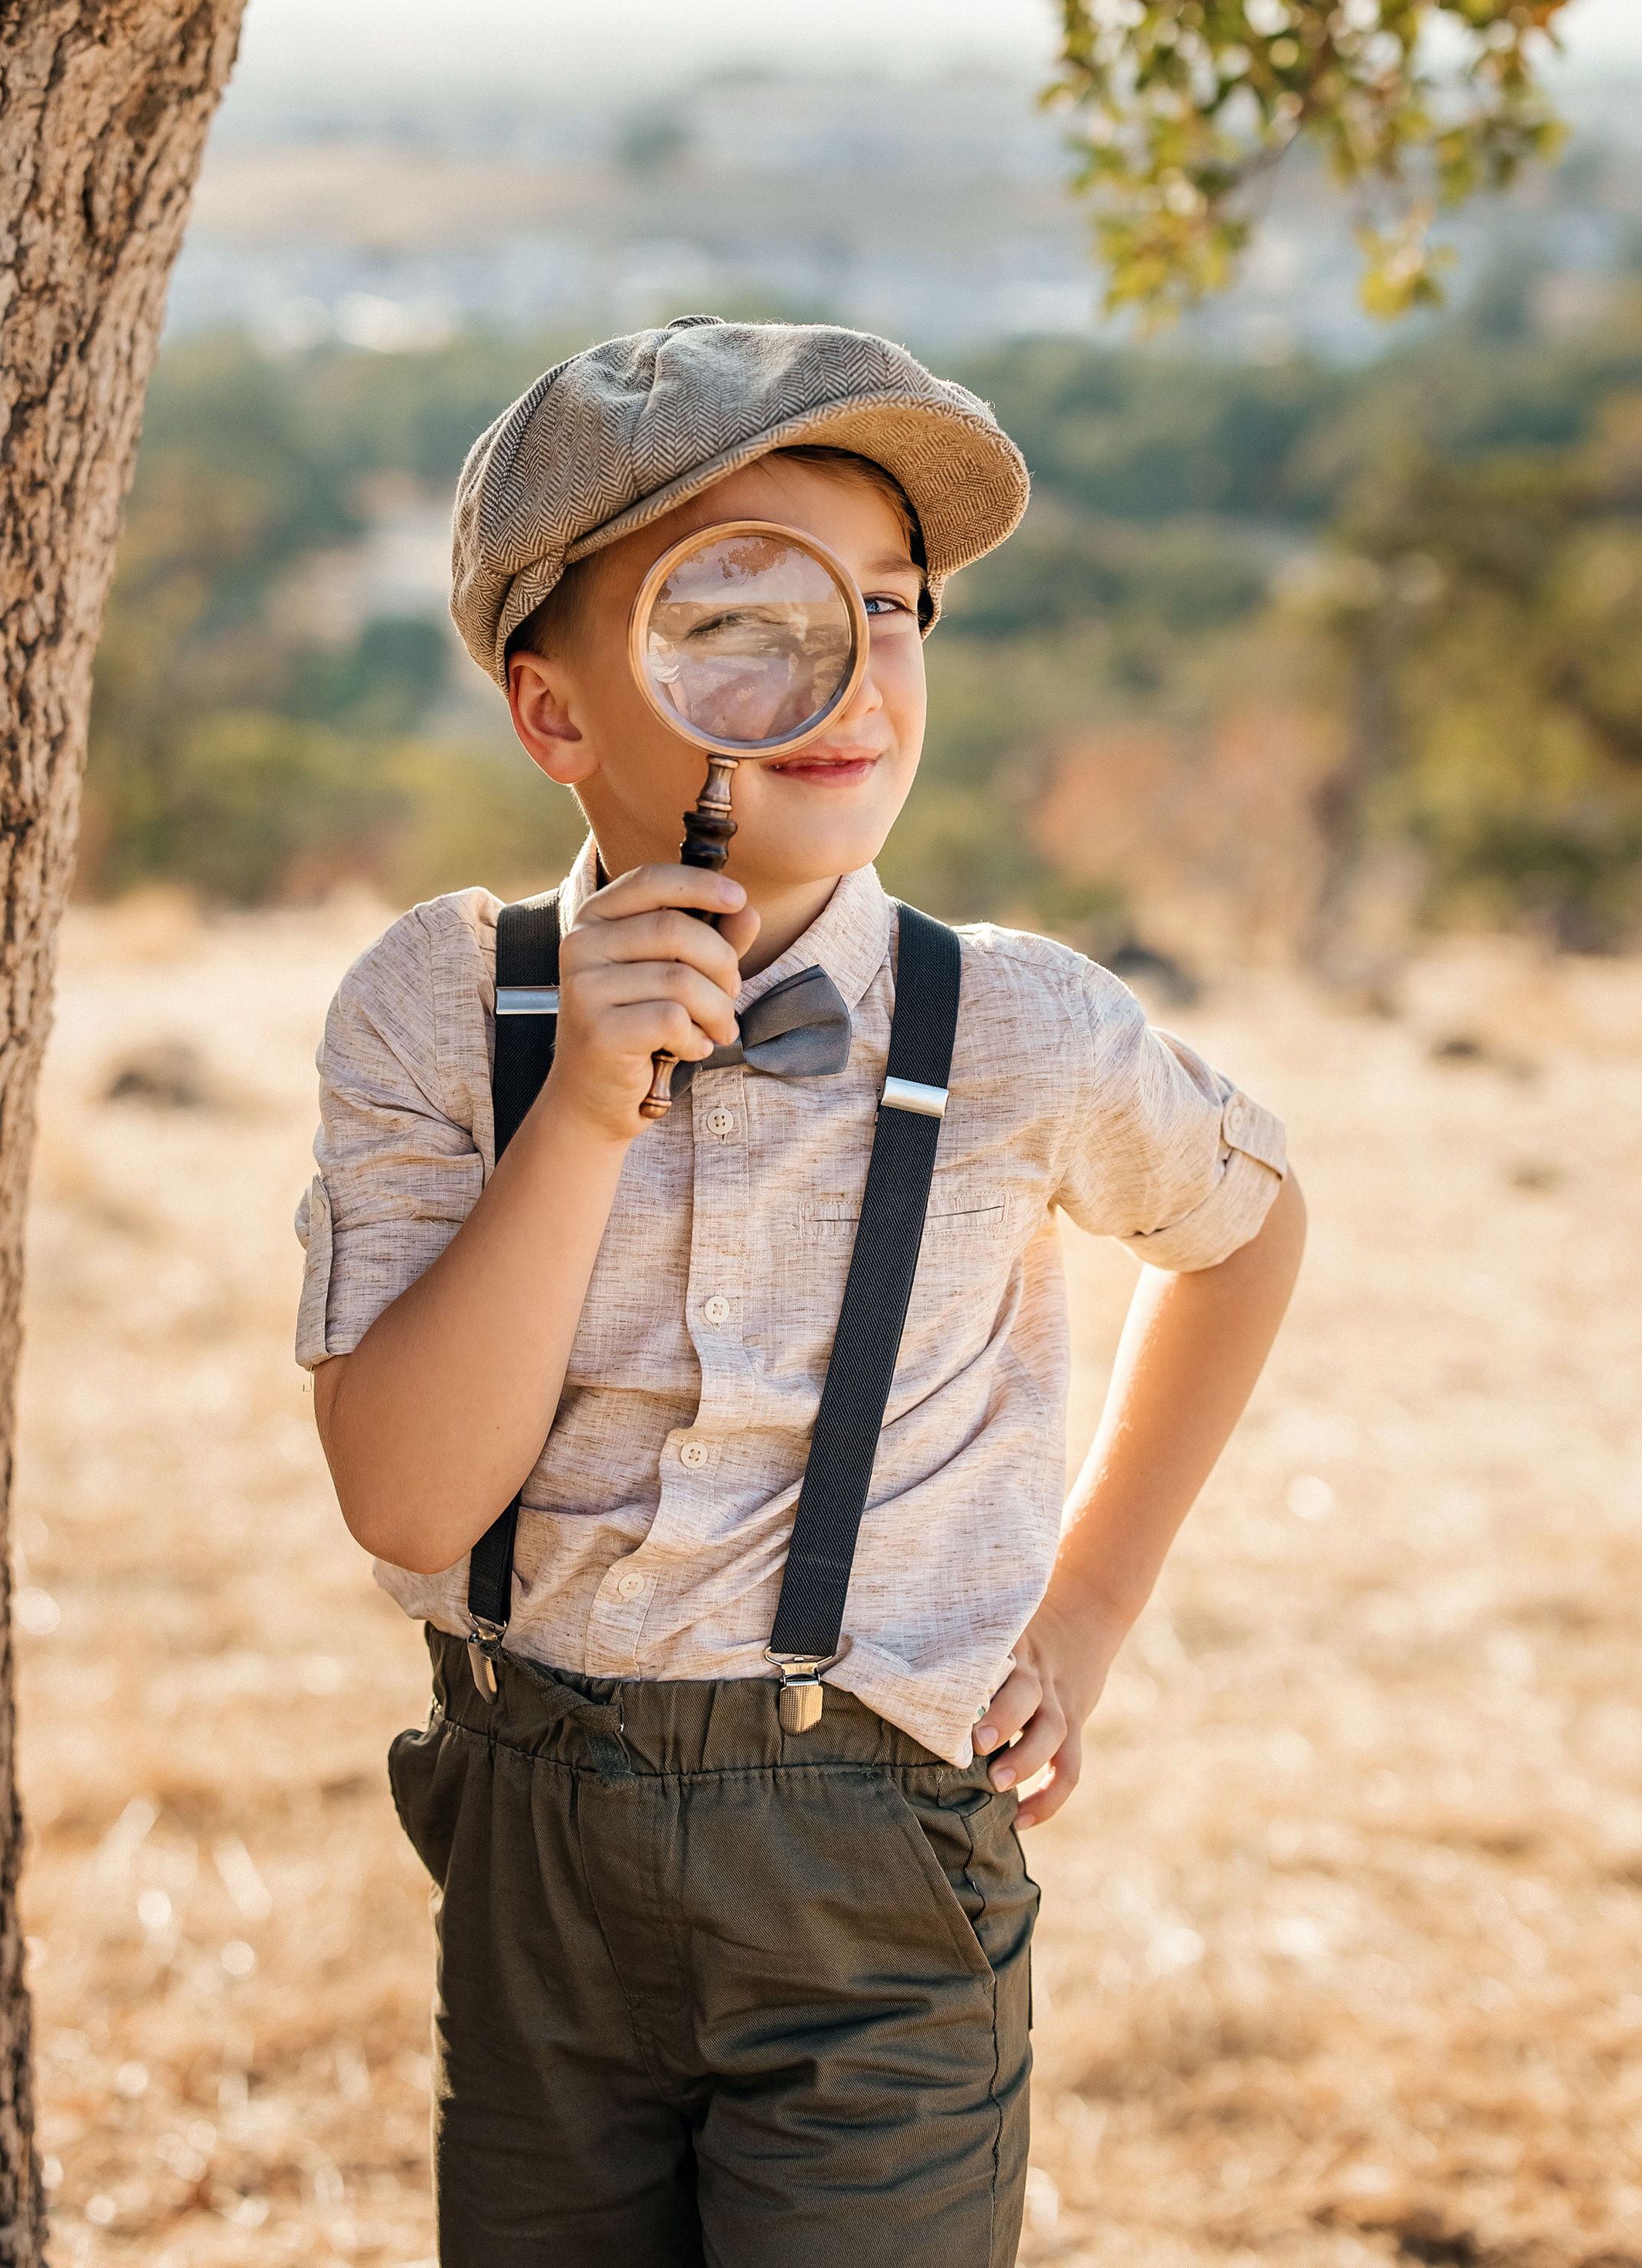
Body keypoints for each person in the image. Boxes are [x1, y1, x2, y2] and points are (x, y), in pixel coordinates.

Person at [297, 317, 1305, 2268]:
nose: (846, 676)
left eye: (889, 607)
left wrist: (1090, 1605)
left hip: (873, 1879)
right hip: (528, 1854)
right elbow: (408, 1502)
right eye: (736, 616)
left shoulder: (1013, 1025)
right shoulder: (441, 1006)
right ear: (554, 714)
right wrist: (580, 1108)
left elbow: (1243, 1229)